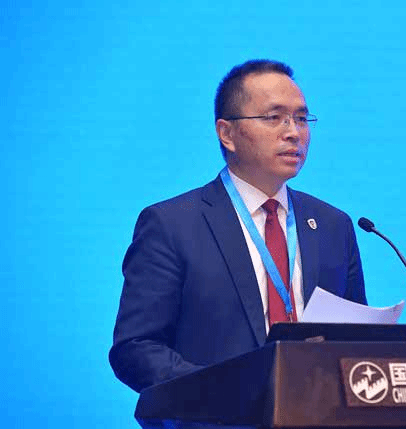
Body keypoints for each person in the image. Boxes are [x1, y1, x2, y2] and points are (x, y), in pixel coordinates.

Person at [109, 59, 367, 393]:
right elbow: (136, 348)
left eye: (301, 119)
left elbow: (359, 342)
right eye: (274, 118)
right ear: (227, 134)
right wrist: (228, 391)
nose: (293, 132)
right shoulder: (172, 225)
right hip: (214, 414)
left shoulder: (334, 226)